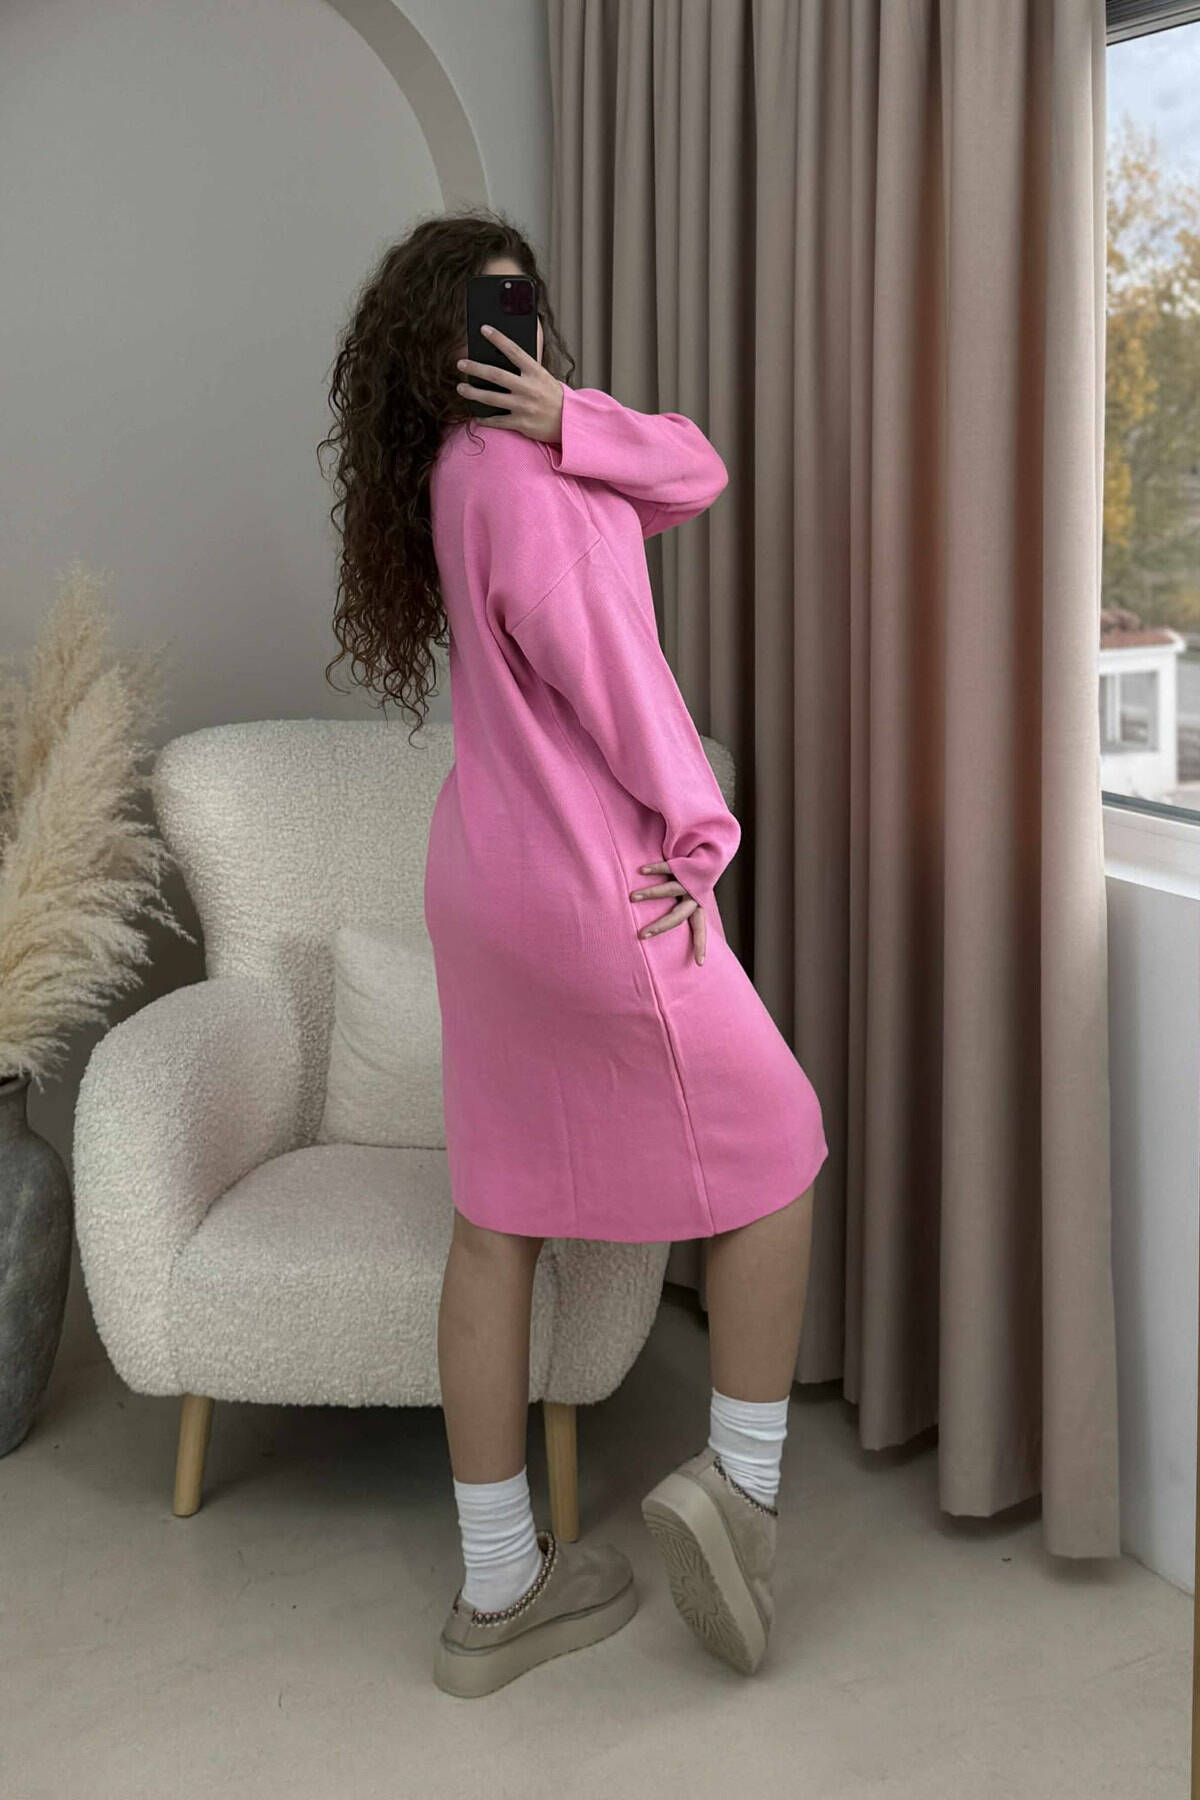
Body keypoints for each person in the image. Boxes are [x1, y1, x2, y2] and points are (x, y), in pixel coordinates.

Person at [320, 209, 828, 1700]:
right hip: (592, 885)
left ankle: (498, 1595)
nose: (518, 326)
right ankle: (741, 1497)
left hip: (484, 884)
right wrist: (701, 830)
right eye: (491, 311)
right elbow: (619, 679)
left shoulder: (465, 475)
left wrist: (571, 416)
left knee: (497, 1225)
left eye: (524, 302)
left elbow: (696, 468)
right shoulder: (532, 492)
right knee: (779, 1149)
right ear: (448, 345)